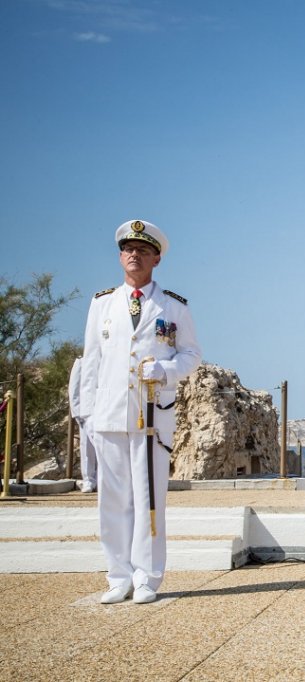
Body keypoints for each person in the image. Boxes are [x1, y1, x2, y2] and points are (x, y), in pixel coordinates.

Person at [80, 220, 202, 605]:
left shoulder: (174, 306)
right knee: (113, 501)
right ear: (121, 257)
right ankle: (117, 576)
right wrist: (87, 415)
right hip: (110, 414)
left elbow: (191, 355)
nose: (134, 255)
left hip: (152, 417)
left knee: (149, 498)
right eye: (129, 249)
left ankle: (146, 576)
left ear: (156, 259)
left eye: (143, 250)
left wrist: (165, 370)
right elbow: (91, 362)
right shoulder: (102, 304)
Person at [68, 357, 98, 493]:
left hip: (105, 411)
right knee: (87, 449)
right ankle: (88, 480)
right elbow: (74, 389)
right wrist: (77, 412)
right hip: (87, 413)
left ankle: (103, 480)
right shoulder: (81, 361)